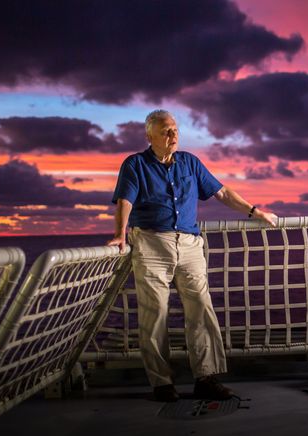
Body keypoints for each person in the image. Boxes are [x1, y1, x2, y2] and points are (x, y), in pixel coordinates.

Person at [107, 109, 277, 402]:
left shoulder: (190, 162)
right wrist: (121, 234)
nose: (173, 135)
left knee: (201, 308)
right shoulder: (135, 164)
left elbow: (222, 192)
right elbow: (125, 200)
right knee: (154, 314)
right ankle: (161, 384)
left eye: (174, 129)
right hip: (150, 244)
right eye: (165, 131)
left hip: (189, 245)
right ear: (150, 136)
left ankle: (206, 378)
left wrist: (255, 212)